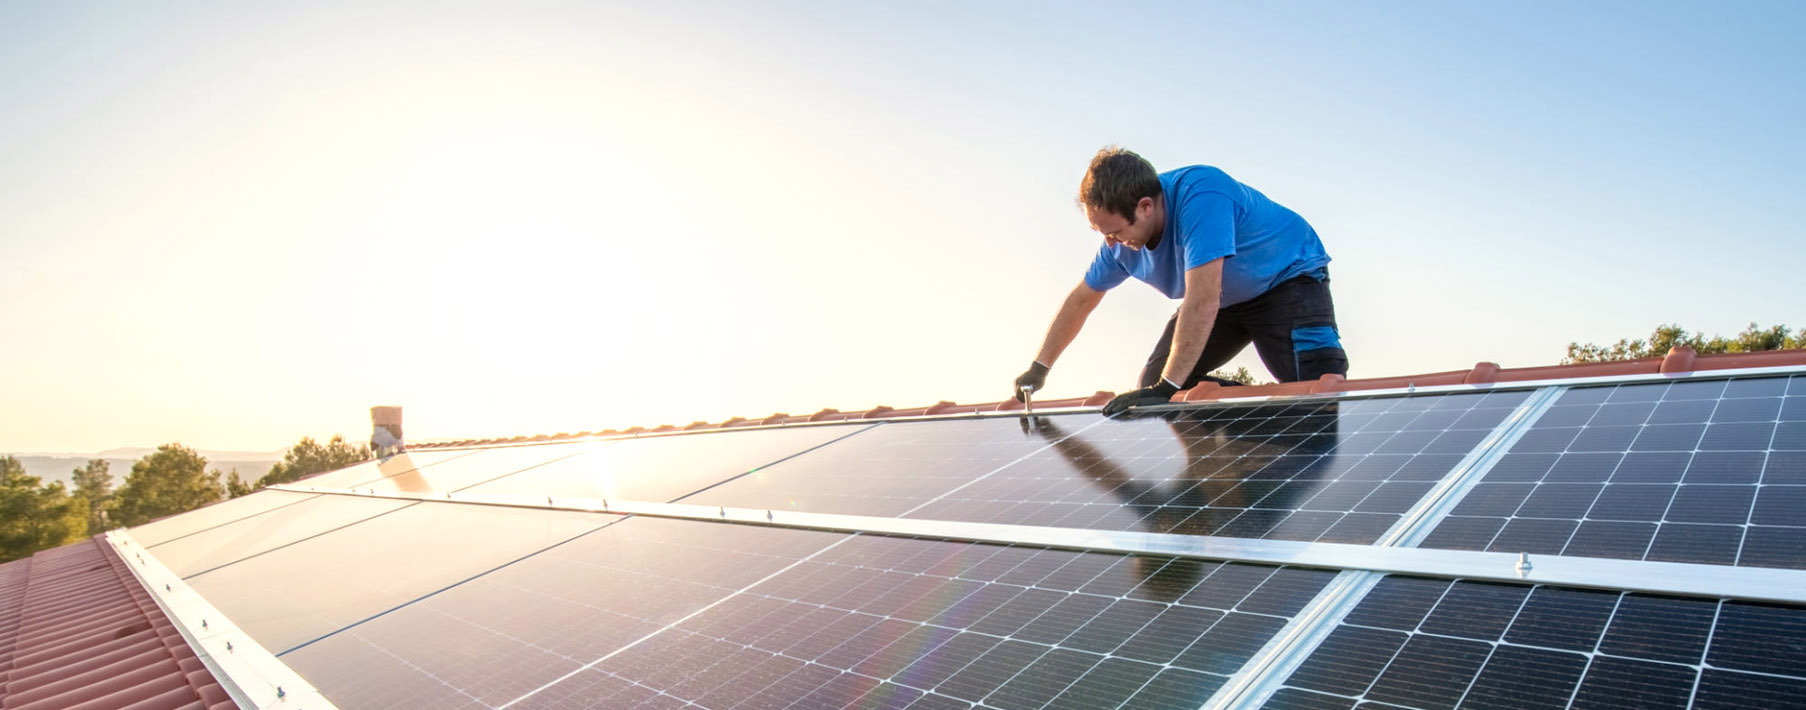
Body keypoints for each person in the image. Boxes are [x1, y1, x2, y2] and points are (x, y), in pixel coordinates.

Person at [1014, 147, 1348, 415]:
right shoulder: (1117, 247)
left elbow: (1203, 298)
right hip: (1224, 303)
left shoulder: (1202, 196)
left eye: (1115, 231)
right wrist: (1039, 368)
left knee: (1317, 390)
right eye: (1102, 233)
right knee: (1155, 384)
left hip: (1285, 280)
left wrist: (1166, 389)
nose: (1111, 243)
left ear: (1145, 206)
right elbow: (1081, 300)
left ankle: (1287, 411)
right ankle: (1251, 435)